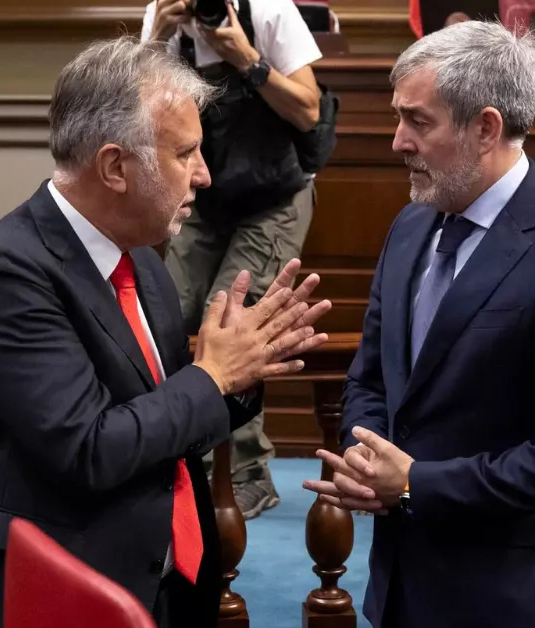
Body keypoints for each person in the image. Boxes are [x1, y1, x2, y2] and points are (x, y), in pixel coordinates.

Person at [0, 37, 331, 628]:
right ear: (115, 166)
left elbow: (170, 420)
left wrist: (244, 370)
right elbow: (88, 449)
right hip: (50, 594)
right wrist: (212, 375)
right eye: (186, 153)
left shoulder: (140, 261)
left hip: (159, 581)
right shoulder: (4, 272)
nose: (205, 175)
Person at [302, 20, 535, 628]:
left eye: (418, 121)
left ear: (485, 128)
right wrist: (365, 455)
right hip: (403, 586)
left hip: (511, 600)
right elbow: (371, 380)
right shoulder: (409, 228)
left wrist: (415, 484)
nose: (397, 140)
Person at [142, 0, 329, 518]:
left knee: (233, 317)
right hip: (205, 195)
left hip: (274, 198)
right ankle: (184, 457)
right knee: (167, 314)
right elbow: (133, 104)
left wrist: (246, 58)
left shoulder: (268, 11)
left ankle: (248, 471)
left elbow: (308, 109)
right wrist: (158, 33)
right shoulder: (164, 19)